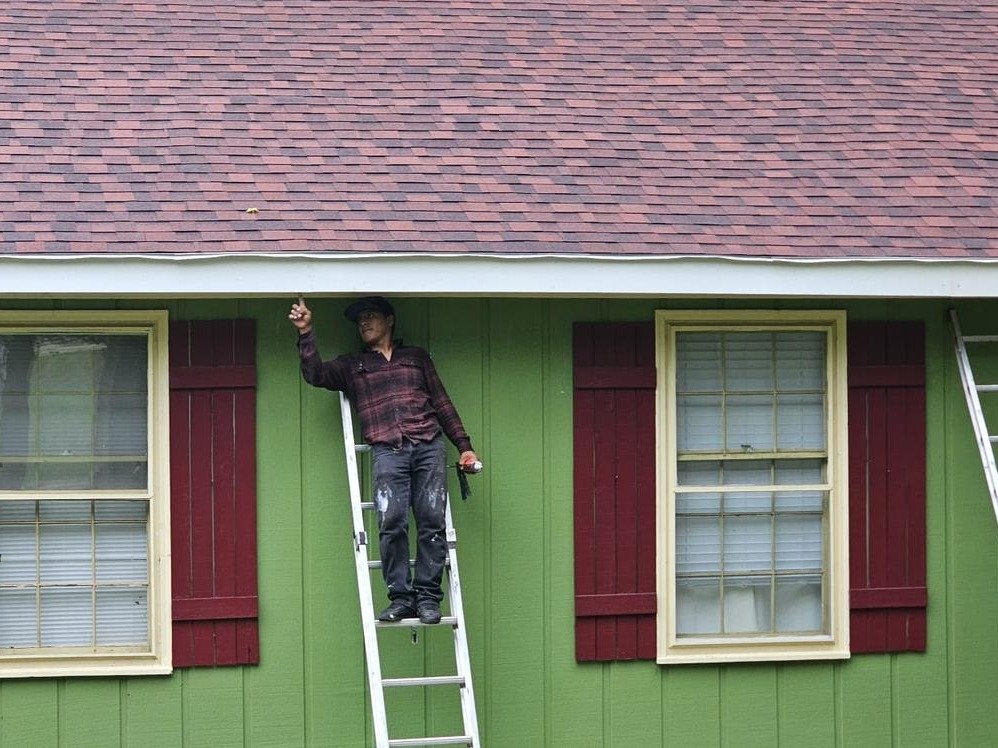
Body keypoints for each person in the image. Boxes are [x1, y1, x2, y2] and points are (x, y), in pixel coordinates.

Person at [289, 295, 479, 624]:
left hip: (428, 446)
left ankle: (428, 599)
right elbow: (315, 374)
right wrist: (306, 332)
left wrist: (464, 445)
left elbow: (442, 402)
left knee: (432, 521)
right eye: (359, 319)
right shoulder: (352, 366)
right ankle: (402, 598)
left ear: (389, 320)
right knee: (391, 522)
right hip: (387, 448)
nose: (363, 322)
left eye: (371, 316)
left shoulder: (415, 358)